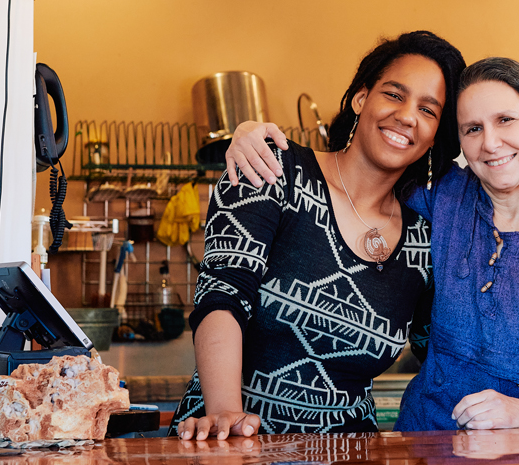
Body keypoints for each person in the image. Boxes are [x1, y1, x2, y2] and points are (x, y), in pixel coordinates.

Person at [227, 57, 519, 431]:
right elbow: (361, 170)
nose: (490, 143)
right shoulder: (445, 196)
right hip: (423, 451)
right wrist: (250, 135)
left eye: (506, 120)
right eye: (472, 129)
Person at [172, 31, 466, 441]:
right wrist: (226, 415)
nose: (407, 116)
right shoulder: (274, 169)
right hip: (227, 447)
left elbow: (446, 349)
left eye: (428, 110)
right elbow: (223, 294)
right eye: (394, 95)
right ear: (361, 98)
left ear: (436, 134)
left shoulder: (424, 237)